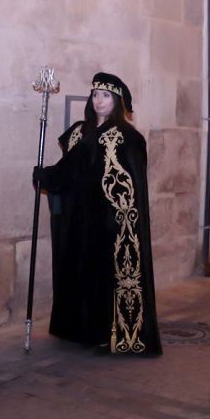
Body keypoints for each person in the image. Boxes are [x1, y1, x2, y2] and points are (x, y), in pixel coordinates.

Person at [34, 73, 162, 355]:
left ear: (116, 101)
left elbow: (130, 185)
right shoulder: (80, 131)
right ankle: (76, 328)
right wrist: (47, 177)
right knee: (77, 272)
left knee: (103, 279)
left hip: (109, 224)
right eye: (95, 95)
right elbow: (69, 170)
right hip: (79, 220)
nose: (98, 100)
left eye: (105, 96)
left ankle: (110, 335)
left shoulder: (128, 138)